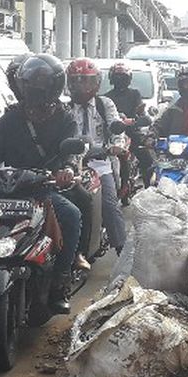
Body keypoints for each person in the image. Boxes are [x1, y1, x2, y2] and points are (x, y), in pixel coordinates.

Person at [0, 54, 81, 314]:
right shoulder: (10, 118)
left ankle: (59, 282)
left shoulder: (65, 119)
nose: (36, 86)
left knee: (72, 216)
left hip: (44, 188)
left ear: (54, 85)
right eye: (32, 80)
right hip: (7, 189)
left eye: (42, 81)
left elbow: (72, 154)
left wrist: (67, 170)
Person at [66, 58, 126, 254]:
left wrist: (117, 145)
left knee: (109, 205)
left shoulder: (104, 104)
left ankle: (121, 250)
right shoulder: (63, 108)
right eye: (75, 81)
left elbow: (116, 127)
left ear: (97, 82)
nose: (80, 86)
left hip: (100, 164)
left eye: (86, 80)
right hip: (71, 165)